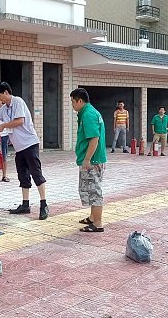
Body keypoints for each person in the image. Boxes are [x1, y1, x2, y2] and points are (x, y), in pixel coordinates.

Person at [0, 82, 49, 220]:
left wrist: (3, 126)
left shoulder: (18, 102)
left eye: (0, 97)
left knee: (36, 173)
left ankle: (44, 205)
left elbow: (20, 121)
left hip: (30, 144)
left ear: (6, 92)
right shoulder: (4, 109)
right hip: (19, 148)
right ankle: (25, 205)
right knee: (23, 175)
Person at [70, 88, 107, 232]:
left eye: (73, 102)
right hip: (94, 159)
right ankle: (92, 217)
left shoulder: (89, 114)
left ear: (80, 100)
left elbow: (94, 138)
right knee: (91, 189)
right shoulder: (88, 112)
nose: (72, 105)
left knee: (95, 190)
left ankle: (97, 223)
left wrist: (87, 159)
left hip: (93, 160)